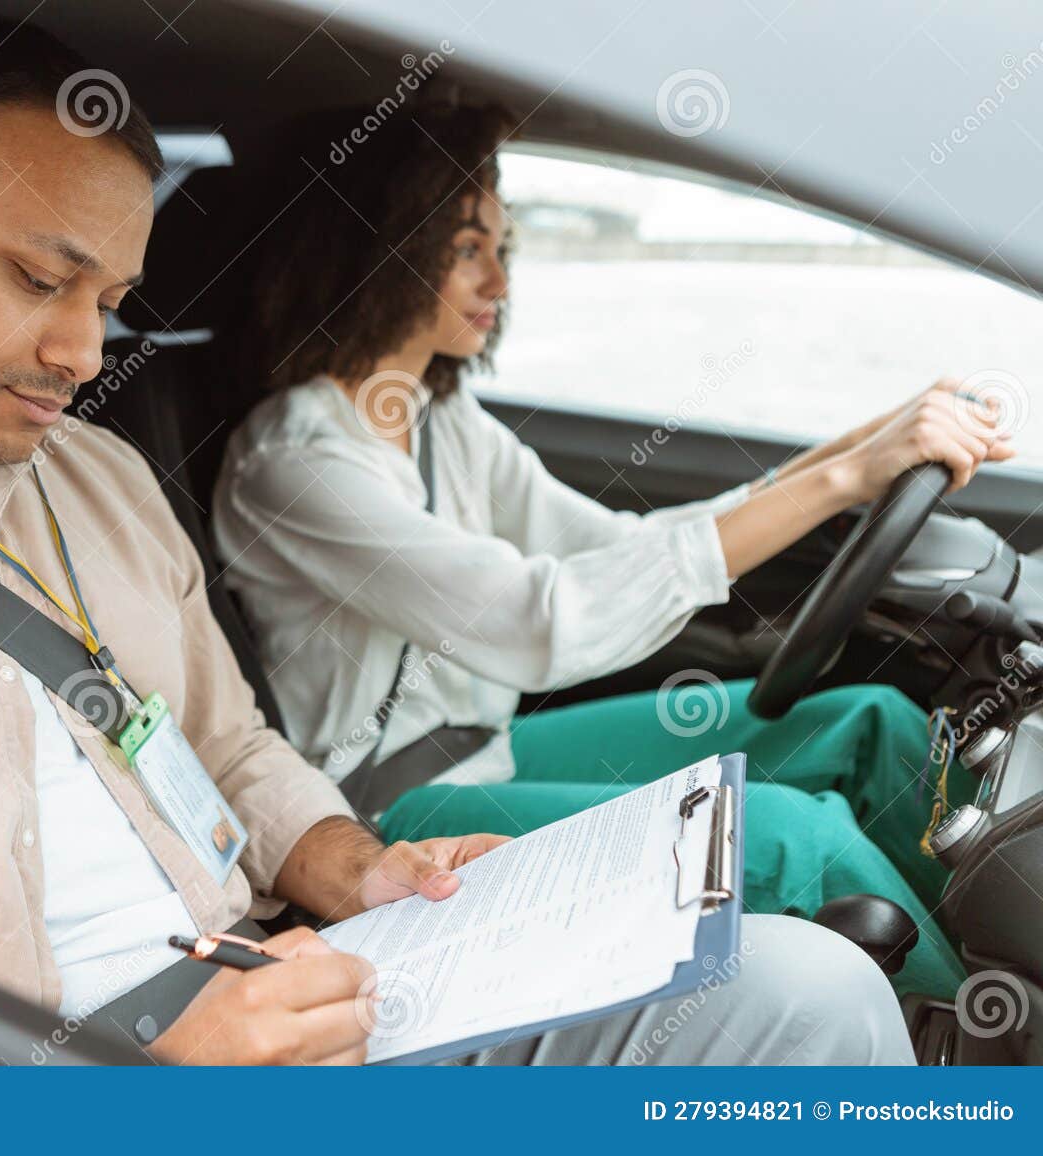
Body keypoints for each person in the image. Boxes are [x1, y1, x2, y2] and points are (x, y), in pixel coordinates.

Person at [0, 10, 913, 1065]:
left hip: (291, 975)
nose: (88, 350)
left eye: (116, 300)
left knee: (802, 991)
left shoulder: (89, 476)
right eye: (41, 277)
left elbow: (229, 741)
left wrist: (348, 862)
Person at [211, 103, 1013, 1002]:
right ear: (379, 246)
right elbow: (537, 622)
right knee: (792, 837)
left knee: (873, 722)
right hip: (388, 813)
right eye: (467, 248)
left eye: (504, 250)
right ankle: (993, 1049)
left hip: (492, 747)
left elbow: (624, 548)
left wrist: (862, 453)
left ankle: (1002, 957)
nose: (499, 282)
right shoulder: (297, 464)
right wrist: (838, 479)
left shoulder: (441, 422)